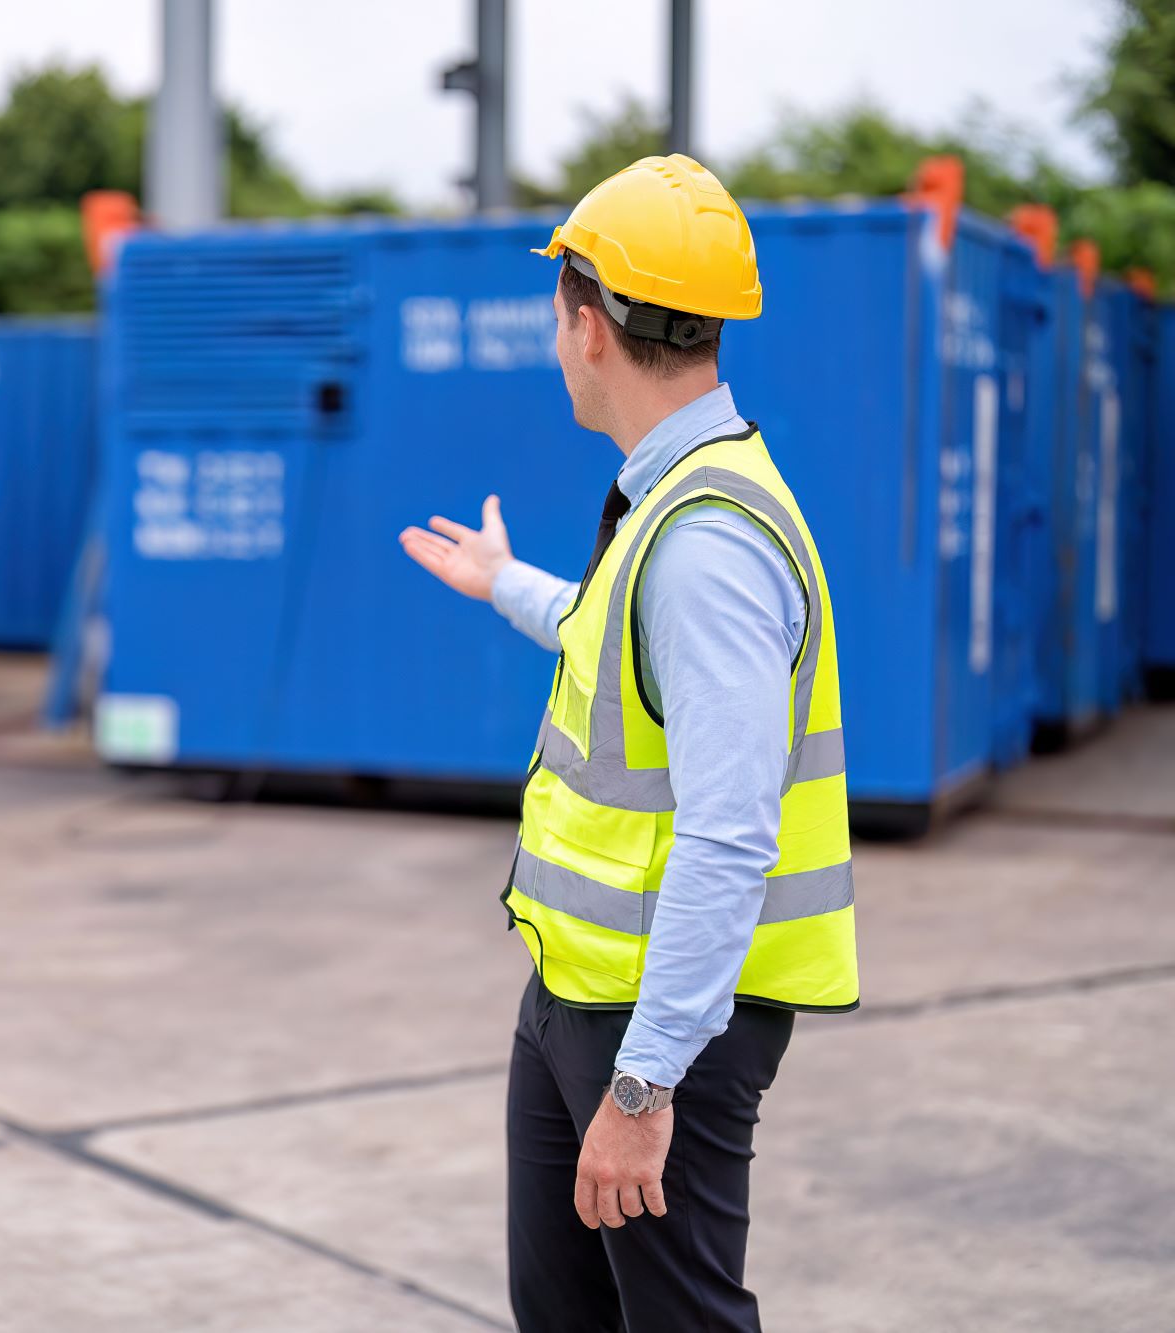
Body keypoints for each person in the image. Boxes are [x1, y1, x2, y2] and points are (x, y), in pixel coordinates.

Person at [400, 154, 859, 1331]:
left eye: (559, 314)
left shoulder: (706, 541)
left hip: (662, 1029)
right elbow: (613, 641)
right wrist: (504, 583)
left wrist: (645, 1082)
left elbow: (726, 837)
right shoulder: (671, 499)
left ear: (589, 322)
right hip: (576, 989)